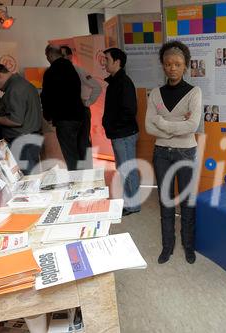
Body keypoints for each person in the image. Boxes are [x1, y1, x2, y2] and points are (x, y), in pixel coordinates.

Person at [145, 40, 202, 264]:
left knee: (187, 201)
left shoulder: (194, 92)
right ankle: (167, 246)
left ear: (186, 66)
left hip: (186, 153)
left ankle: (189, 246)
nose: (173, 68)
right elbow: (149, 127)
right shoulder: (155, 94)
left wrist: (163, 123)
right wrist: (176, 125)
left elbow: (193, 126)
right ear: (163, 65)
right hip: (161, 153)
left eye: (178, 64)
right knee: (165, 201)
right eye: (168, 64)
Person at [0, 61, 42, 175]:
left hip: (23, 142)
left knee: (30, 178)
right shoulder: (19, 84)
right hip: (29, 139)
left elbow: (16, 120)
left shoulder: (15, 89)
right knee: (33, 175)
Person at [102, 47, 141, 216]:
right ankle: (128, 201)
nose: (104, 63)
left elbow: (129, 110)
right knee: (123, 168)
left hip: (124, 134)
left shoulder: (123, 82)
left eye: (107, 60)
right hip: (120, 133)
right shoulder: (115, 82)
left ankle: (133, 205)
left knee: (127, 168)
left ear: (117, 62)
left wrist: (114, 126)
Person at [41, 45, 87, 171]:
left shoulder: (50, 72)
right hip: (79, 115)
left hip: (64, 118)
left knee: (70, 154)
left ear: (50, 55)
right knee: (81, 150)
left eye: (47, 56)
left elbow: (46, 96)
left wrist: (48, 116)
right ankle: (86, 179)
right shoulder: (72, 69)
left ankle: (77, 183)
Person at [60, 45, 102, 169]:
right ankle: (77, 176)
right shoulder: (58, 73)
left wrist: (87, 102)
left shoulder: (78, 70)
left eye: (62, 56)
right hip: (67, 113)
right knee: (71, 147)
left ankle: (88, 175)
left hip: (81, 110)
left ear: (70, 56)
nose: (60, 59)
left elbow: (97, 87)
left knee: (83, 143)